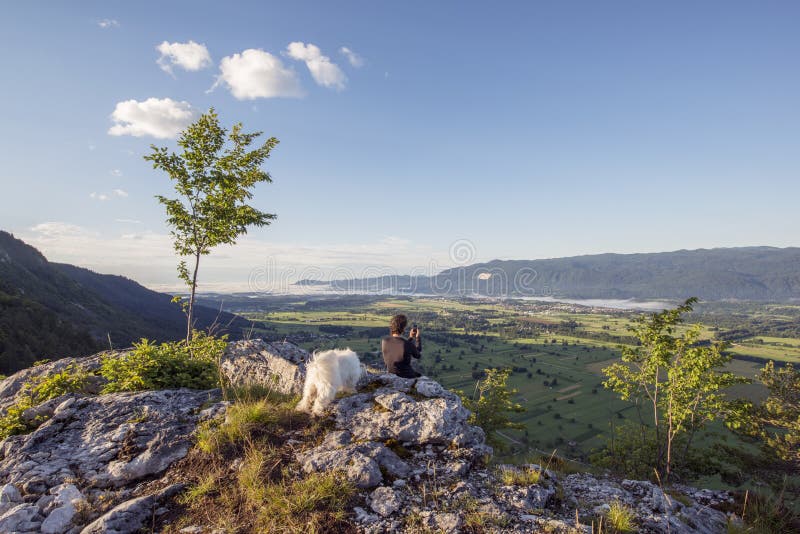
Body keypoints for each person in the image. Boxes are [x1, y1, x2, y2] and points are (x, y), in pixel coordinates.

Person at [381, 314, 422, 378]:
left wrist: (410, 338)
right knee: (420, 377)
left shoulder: (384, 341)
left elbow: (399, 345)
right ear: (403, 328)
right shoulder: (407, 344)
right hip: (407, 376)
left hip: (391, 373)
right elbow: (418, 355)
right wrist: (417, 338)